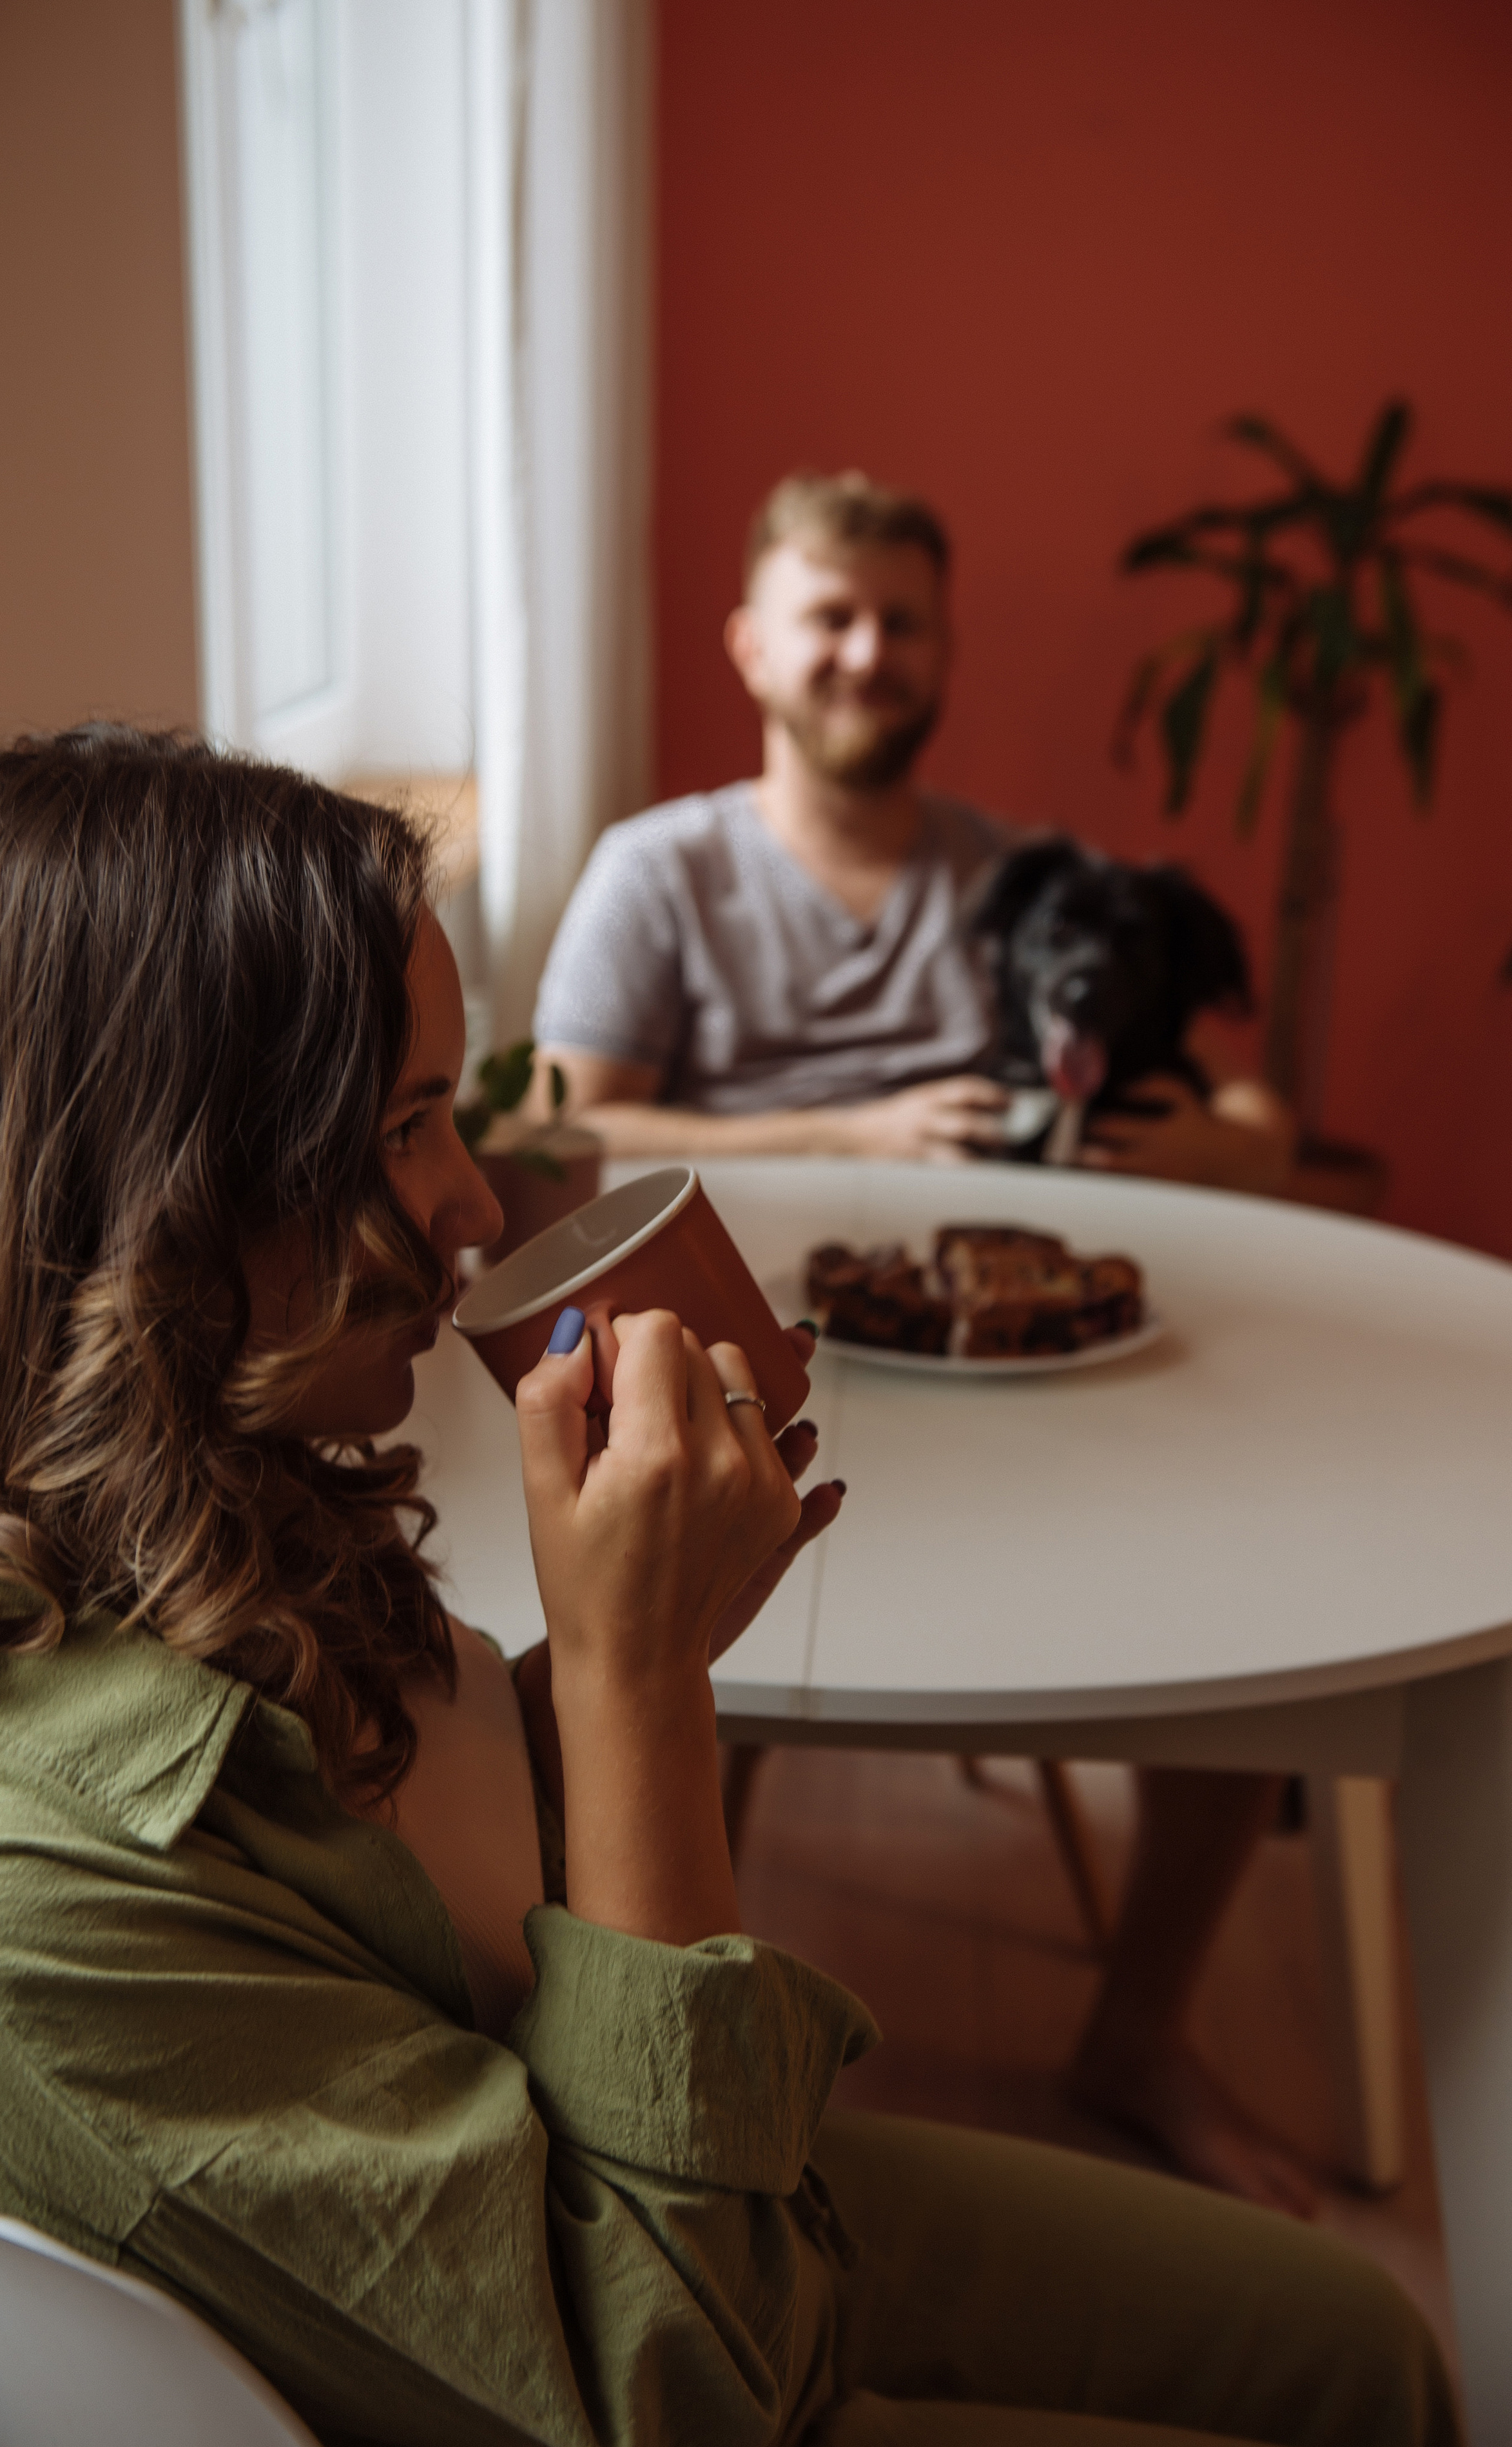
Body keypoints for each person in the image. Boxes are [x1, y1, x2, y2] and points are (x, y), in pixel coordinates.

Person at [0, 730, 1459, 2447]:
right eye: (401, 1131)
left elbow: (417, 1902)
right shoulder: (19, 1896)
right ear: (145, 1195)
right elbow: (692, 2386)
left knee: (1370, 2352)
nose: (475, 1201)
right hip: (669, 2352)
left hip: (646, 2224)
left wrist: (638, 1643)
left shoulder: (115, 1503)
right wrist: (637, 1689)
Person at [534, 472, 1310, 2216]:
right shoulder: (661, 870)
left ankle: (1141, 2032)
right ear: (752, 645)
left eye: (903, 622)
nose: (868, 652)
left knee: (1256, 1576)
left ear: (946, 651)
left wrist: (1199, 1143)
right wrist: (859, 1129)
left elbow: (1254, 1116)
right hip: (741, 1381)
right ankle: (665, 2054)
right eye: (831, 615)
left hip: (1014, 1381)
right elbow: (566, 1131)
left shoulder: (1024, 880)